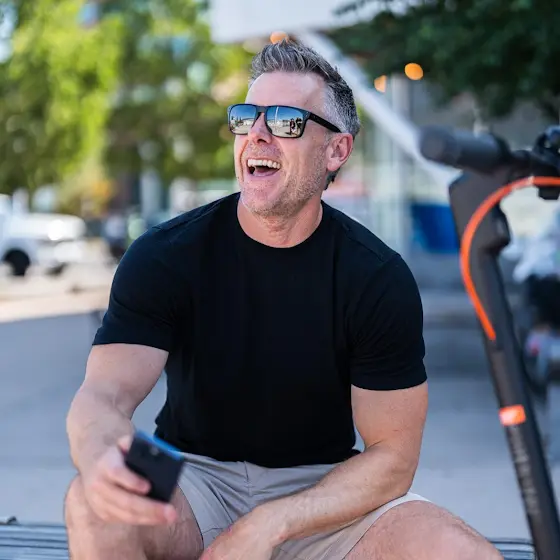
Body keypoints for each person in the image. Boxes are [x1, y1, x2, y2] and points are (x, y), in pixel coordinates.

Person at [64, 39, 502, 560]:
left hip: (324, 487)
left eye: (286, 122)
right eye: (246, 117)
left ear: (336, 150)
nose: (257, 134)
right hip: (187, 471)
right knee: (91, 503)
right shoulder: (164, 254)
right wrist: (101, 455)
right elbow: (103, 396)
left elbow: (393, 457)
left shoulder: (376, 276)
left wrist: (270, 523)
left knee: (457, 550)